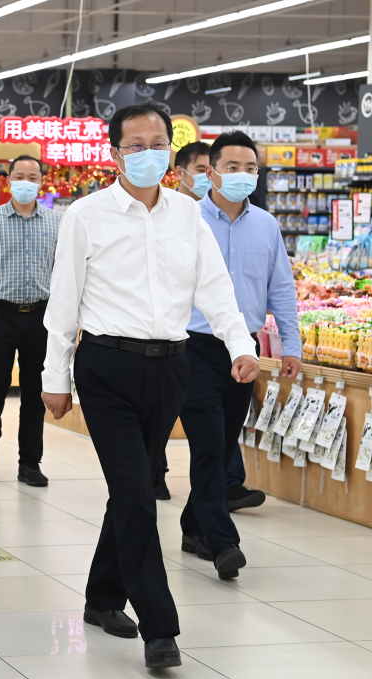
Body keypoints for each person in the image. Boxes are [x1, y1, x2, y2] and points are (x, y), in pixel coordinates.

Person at [41, 103, 259, 670]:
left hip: (171, 367)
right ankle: (160, 628)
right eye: (135, 145)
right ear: (115, 153)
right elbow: (64, 302)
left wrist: (240, 345)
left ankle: (101, 596)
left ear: (172, 150)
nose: (148, 153)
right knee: (139, 493)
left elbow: (215, 286)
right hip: (105, 366)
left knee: (129, 490)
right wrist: (54, 377)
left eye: (157, 143)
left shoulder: (187, 214)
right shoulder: (86, 215)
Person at [178, 131, 301, 577]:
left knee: (225, 440)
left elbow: (281, 288)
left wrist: (291, 345)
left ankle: (193, 526)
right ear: (211, 172)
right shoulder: (185, 219)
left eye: (250, 168)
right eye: (232, 167)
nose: (242, 175)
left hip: (244, 350)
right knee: (209, 443)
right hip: (193, 346)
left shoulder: (266, 225)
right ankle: (222, 540)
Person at [0, 155, 59, 487]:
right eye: (19, 176)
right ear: (8, 180)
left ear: (41, 182)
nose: (26, 182)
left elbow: (65, 272)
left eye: (32, 177)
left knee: (35, 393)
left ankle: (29, 462)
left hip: (41, 316)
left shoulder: (57, 222)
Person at [151, 140, 215, 501]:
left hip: (204, 332)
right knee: (159, 409)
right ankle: (155, 472)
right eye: (201, 169)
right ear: (181, 173)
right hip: (168, 331)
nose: (208, 177)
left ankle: (220, 488)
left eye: (211, 169)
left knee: (204, 419)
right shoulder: (164, 214)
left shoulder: (208, 215)